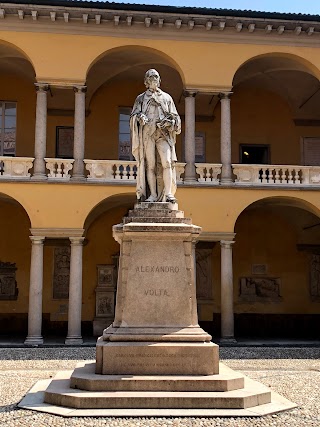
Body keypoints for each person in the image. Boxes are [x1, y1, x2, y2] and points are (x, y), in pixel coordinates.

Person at [130, 69, 181, 203]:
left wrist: (170, 122)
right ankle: (152, 195)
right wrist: (139, 117)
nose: (154, 78)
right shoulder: (141, 98)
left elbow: (176, 118)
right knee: (150, 165)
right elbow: (133, 116)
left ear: (159, 80)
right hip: (148, 135)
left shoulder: (166, 98)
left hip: (163, 134)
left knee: (167, 162)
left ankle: (169, 194)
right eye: (151, 77)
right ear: (146, 81)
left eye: (156, 77)